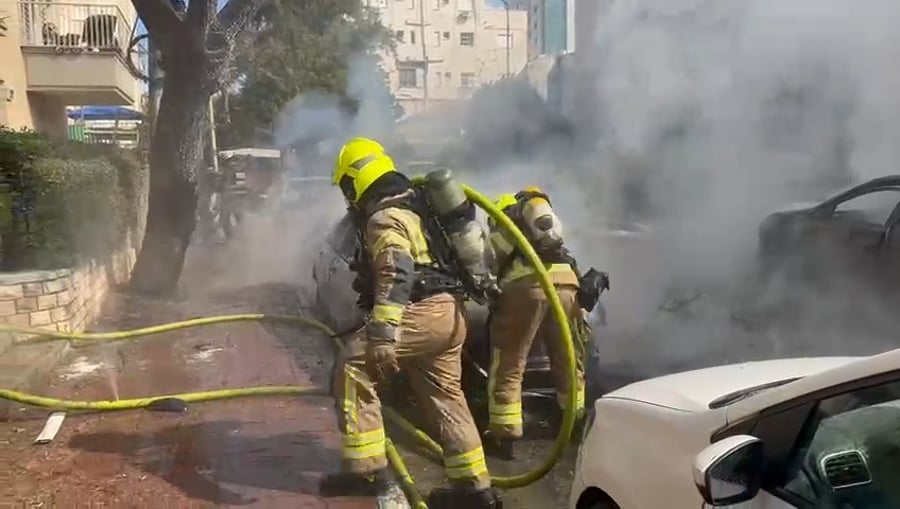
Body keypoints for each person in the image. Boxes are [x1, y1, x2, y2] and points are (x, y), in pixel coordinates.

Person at [320, 137, 501, 508]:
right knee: (445, 397)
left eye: (345, 187)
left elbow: (397, 270)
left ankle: (365, 472)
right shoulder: (418, 209)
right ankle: (474, 490)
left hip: (420, 311)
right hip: (450, 314)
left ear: (355, 181)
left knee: (352, 367)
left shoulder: (384, 217)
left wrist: (384, 334)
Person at [484, 186, 606, 460]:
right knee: (568, 357)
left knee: (510, 362)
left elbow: (488, 266)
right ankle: (574, 422)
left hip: (527, 287)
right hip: (567, 284)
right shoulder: (543, 228)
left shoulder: (503, 228)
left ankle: (505, 435)